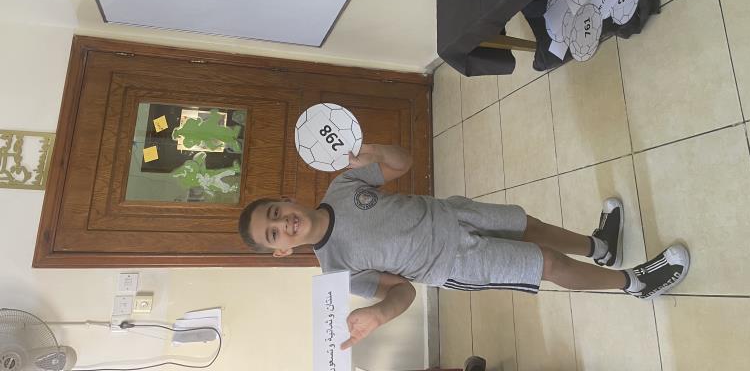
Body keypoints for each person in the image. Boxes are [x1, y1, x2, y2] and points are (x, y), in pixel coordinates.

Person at [238, 144, 689, 349]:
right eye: (274, 234)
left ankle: (600, 246)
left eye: (276, 213)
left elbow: (402, 162)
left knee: (529, 225)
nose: (283, 224)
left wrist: (369, 152)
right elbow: (403, 291)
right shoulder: (337, 272)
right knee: (547, 264)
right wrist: (379, 314)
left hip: (453, 213)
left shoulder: (342, 186)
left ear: (286, 199)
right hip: (455, 263)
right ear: (281, 251)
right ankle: (634, 283)